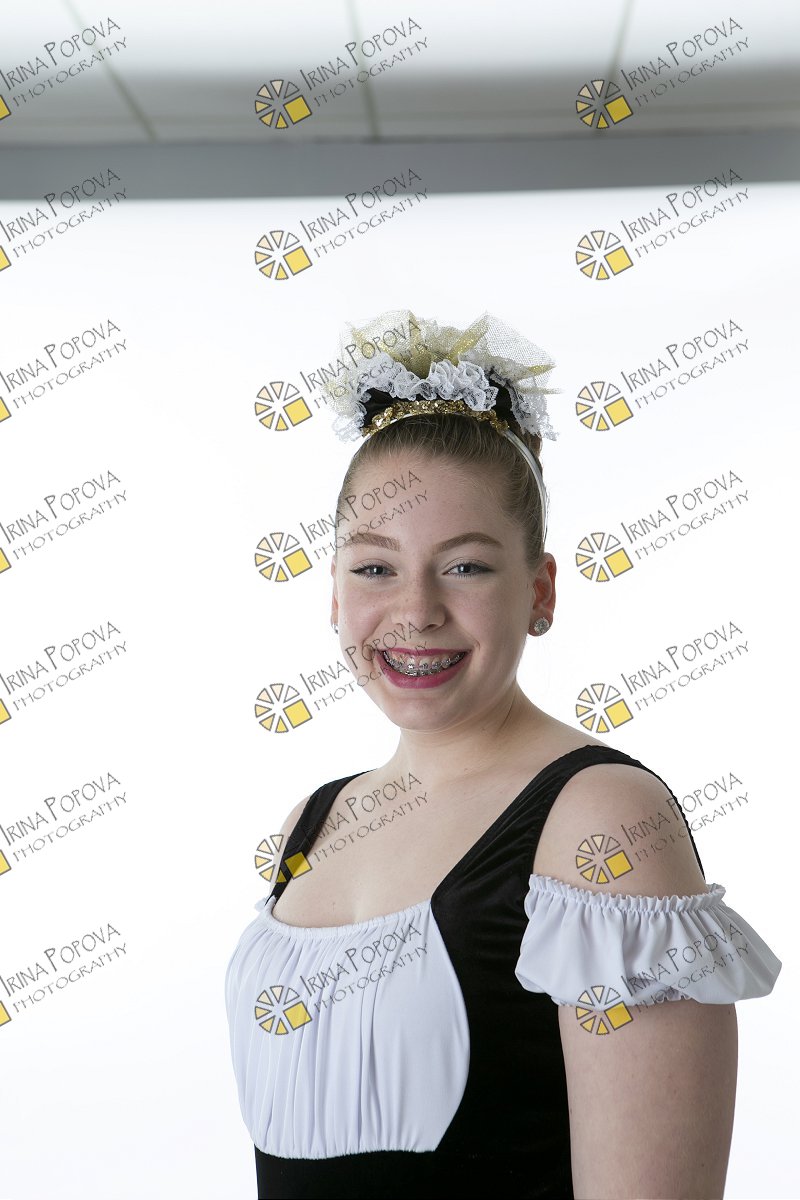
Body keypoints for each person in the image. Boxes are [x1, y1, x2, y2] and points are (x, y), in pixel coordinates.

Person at [225, 310, 782, 1200]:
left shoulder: (600, 821)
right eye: (374, 568)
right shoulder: (313, 823)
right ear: (332, 592)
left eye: (466, 567)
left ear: (540, 590)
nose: (416, 611)